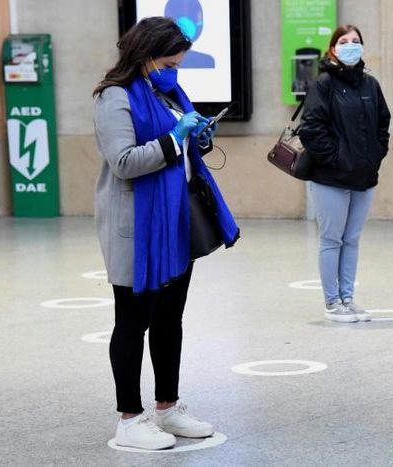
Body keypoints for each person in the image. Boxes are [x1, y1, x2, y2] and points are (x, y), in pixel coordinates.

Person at [92, 16, 239, 450]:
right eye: (170, 62)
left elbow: (181, 147)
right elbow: (124, 162)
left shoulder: (168, 90)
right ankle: (129, 418)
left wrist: (199, 137)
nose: (175, 70)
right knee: (132, 322)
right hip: (136, 228)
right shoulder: (113, 97)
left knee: (169, 319)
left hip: (175, 221)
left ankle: (167, 408)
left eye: (179, 63)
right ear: (145, 56)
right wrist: (175, 139)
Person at [298, 24, 391, 323]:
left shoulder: (370, 85)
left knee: (352, 238)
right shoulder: (323, 85)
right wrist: (336, 160)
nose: (351, 45)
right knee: (331, 239)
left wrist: (374, 156)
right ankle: (332, 303)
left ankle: (348, 299)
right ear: (333, 49)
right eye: (344, 41)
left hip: (364, 176)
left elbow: (382, 125)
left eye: (356, 41)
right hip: (331, 178)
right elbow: (311, 129)